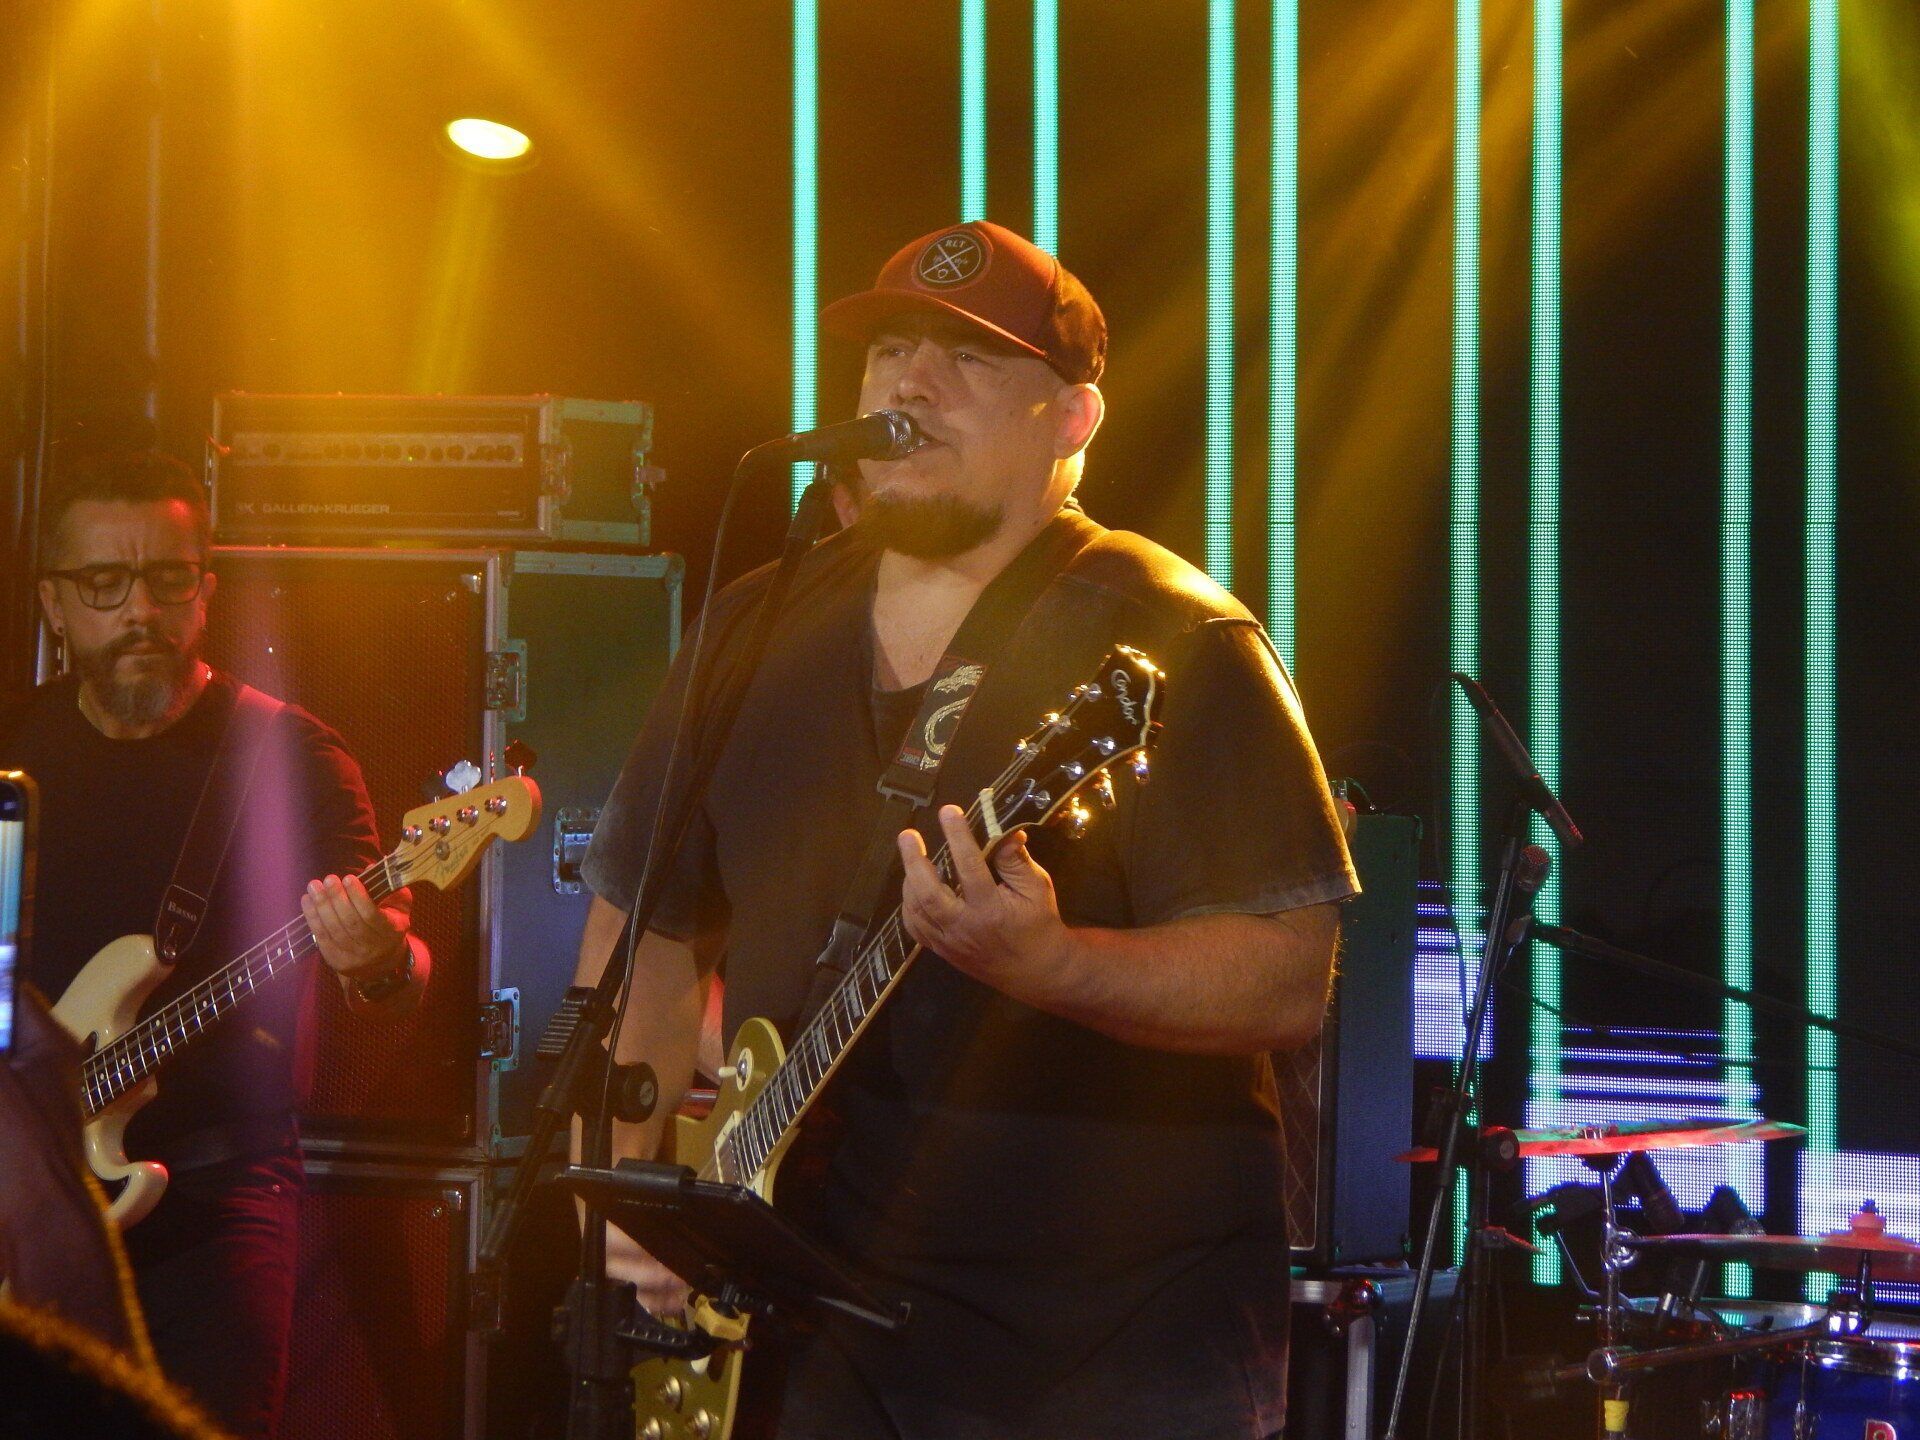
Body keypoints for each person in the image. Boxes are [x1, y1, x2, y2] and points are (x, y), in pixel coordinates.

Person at [577, 220, 1358, 1440]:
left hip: (1111, 1363)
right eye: (890, 351)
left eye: (971, 359)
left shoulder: (1176, 637)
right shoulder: (752, 627)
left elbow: (1286, 978)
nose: (912, 383)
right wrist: (632, 1196)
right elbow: (647, 940)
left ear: (1074, 420)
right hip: (812, 1340)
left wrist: (1057, 966)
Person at [0, 449, 432, 1439]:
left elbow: (402, 975)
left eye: (168, 579)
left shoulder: (288, 755)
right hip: (25, 1192)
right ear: (53, 603)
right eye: (103, 584)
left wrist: (373, 962)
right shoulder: (11, 748)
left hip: (213, 1194)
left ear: (207, 591)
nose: (139, 610)